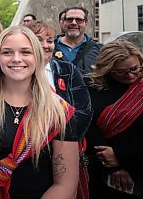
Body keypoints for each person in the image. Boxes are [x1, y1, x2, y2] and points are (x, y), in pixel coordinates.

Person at [0, 26, 79, 198]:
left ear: (37, 57)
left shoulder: (58, 110)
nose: (16, 59)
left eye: (25, 52)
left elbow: (65, 184)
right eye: (7, 53)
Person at [26, 20, 93, 198]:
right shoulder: (16, 73)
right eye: (38, 39)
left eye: (49, 40)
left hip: (63, 154)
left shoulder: (67, 70)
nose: (45, 45)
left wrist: (57, 143)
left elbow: (83, 112)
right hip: (25, 156)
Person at [85, 39, 143, 198]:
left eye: (135, 68)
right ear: (107, 69)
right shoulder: (91, 86)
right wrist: (112, 165)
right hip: (101, 167)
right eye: (122, 72)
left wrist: (119, 156)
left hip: (139, 166)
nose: (131, 75)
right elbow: (87, 124)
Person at [54, 6, 102, 75]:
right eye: (69, 19)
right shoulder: (50, 48)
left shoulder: (98, 49)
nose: (73, 23)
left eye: (79, 20)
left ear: (86, 23)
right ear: (63, 22)